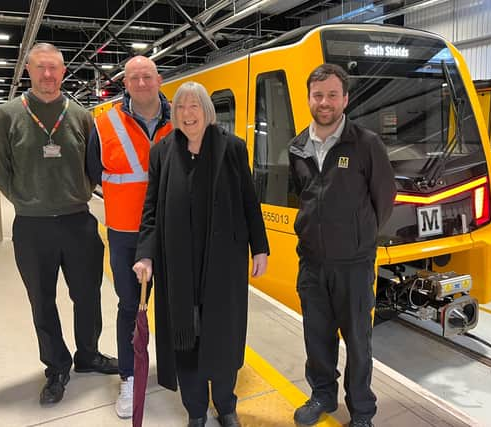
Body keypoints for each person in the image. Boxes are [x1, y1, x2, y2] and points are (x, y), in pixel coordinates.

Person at [132, 82, 269, 427]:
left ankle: (225, 406)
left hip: (224, 264)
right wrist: (146, 254)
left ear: (207, 111)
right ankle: (195, 410)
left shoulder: (233, 148)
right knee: (185, 338)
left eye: (194, 106)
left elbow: (249, 202)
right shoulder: (162, 151)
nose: (187, 113)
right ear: (174, 114)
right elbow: (150, 210)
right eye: (180, 107)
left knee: (223, 337)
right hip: (178, 267)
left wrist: (260, 248)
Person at [0, 43, 117, 406]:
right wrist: (30, 202)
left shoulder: (80, 115)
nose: (48, 74)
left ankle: (88, 354)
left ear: (63, 72)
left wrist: (75, 194)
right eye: (41, 67)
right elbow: (1, 172)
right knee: (42, 302)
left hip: (79, 222)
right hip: (32, 228)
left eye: (54, 68)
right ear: (28, 69)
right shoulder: (7, 115)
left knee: (88, 296)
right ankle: (57, 366)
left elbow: (94, 168)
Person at [288, 64, 396, 427]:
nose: (325, 102)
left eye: (332, 95)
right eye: (318, 95)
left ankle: (362, 411)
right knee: (316, 337)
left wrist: (358, 238)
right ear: (308, 99)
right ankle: (322, 395)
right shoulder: (298, 147)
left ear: (345, 98)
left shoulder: (366, 144)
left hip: (353, 263)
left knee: (358, 342)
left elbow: (384, 198)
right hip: (312, 263)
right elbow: (303, 197)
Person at [87, 55, 172, 418]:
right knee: (129, 308)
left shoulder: (180, 119)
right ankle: (129, 378)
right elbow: (93, 172)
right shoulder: (104, 124)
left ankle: (173, 371)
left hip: (171, 231)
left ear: (159, 79)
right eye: (133, 77)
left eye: (147, 76)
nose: (141, 83)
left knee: (174, 306)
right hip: (126, 234)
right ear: (126, 83)